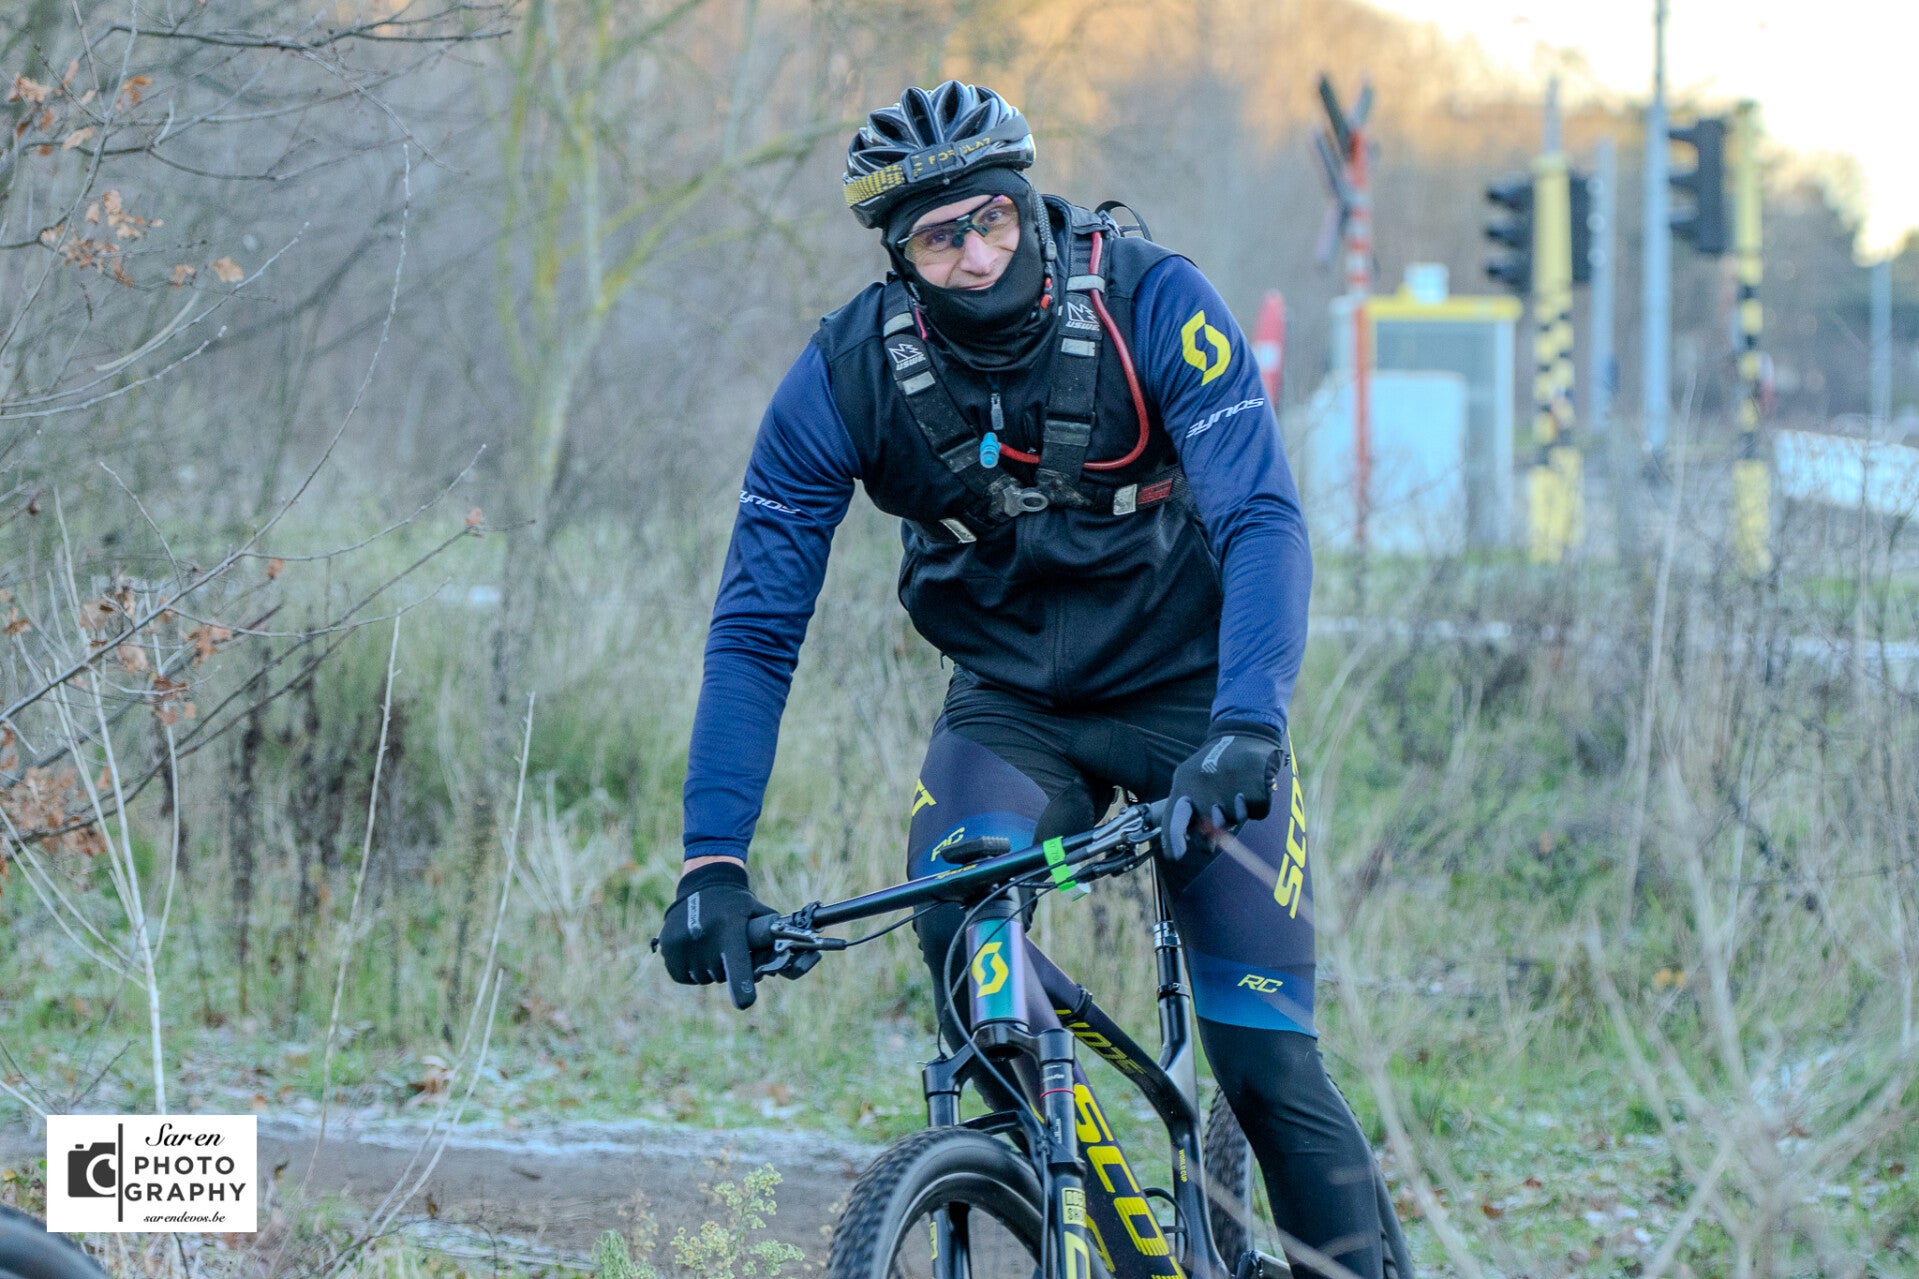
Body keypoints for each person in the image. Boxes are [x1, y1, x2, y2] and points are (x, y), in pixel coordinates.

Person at [658, 81, 1401, 1279]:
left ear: (1027, 202)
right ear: (898, 262)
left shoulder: (1154, 302)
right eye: (938, 238)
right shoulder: (845, 375)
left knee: (1264, 1059)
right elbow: (755, 628)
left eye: (993, 218)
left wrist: (1246, 721)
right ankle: (1087, 1206)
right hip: (1010, 709)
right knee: (958, 922)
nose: (976, 254)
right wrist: (712, 861)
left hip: (1194, 699)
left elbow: (1261, 517)